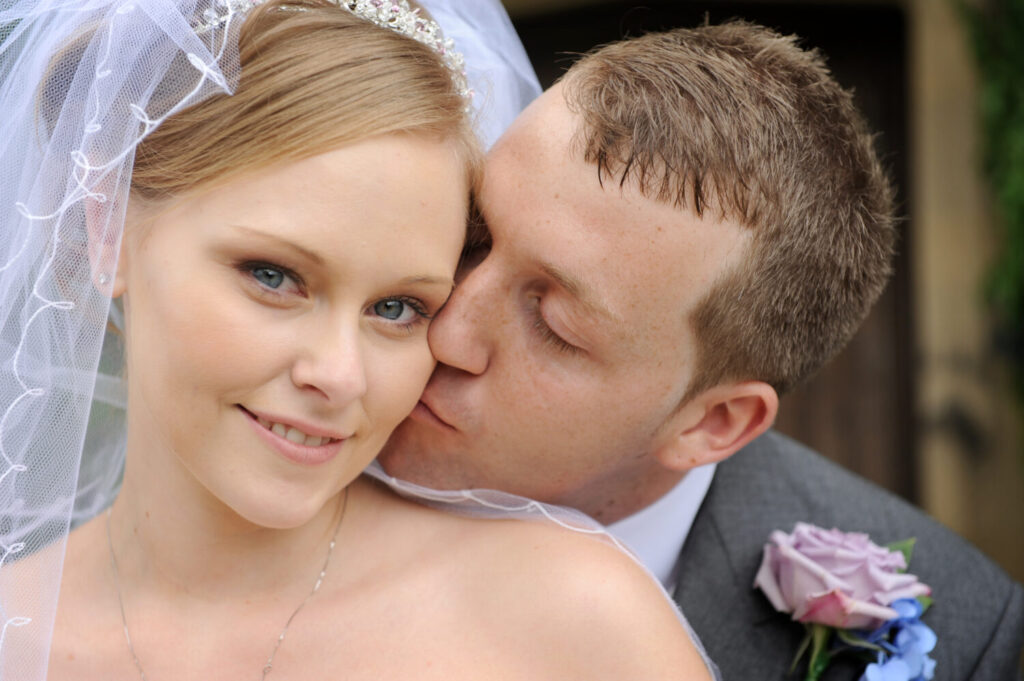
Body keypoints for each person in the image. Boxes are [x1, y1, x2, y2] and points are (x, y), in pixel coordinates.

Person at [0, 2, 716, 679]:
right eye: (274, 276)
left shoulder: (568, 624)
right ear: (110, 231)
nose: (340, 375)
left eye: (398, 307)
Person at [379, 20, 1024, 680]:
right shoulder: (298, 420)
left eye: (554, 324)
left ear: (712, 423)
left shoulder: (966, 637)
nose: (444, 330)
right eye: (473, 234)